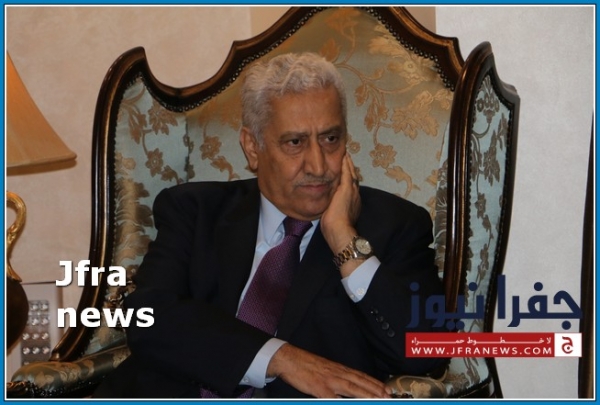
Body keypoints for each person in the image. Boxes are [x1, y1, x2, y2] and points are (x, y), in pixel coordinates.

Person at [94, 52, 447, 399]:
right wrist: (281, 358)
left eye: (330, 139)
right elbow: (148, 317)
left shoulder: (394, 226)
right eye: (295, 142)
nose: (318, 165)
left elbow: (425, 352)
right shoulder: (195, 210)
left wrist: (344, 241)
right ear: (253, 147)